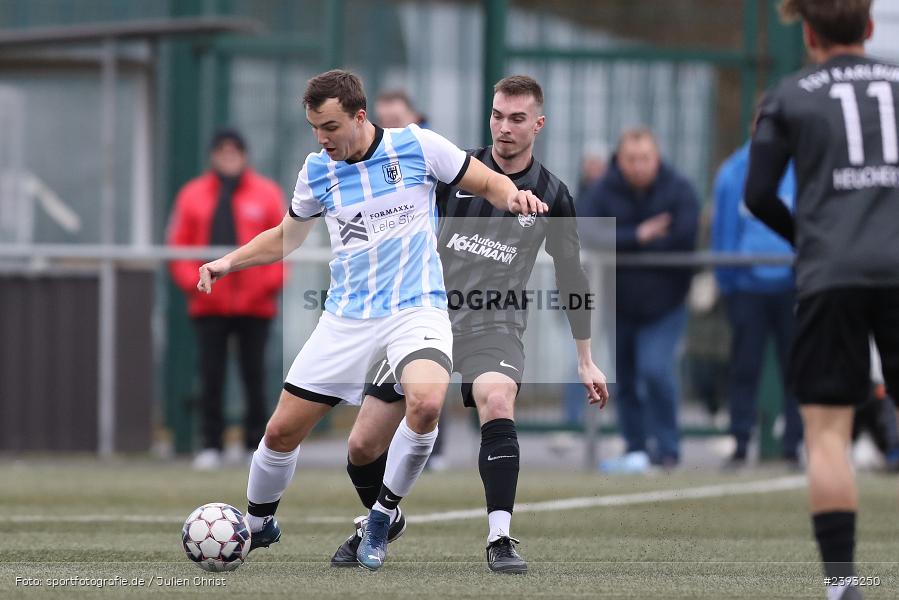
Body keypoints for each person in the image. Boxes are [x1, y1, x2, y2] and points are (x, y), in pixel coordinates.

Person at [196, 69, 548, 572]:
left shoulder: (419, 147)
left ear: (360, 117)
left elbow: (488, 180)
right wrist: (227, 262)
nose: (322, 138)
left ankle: (381, 517)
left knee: (426, 403)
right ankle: (257, 524)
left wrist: (513, 196)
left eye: (331, 127)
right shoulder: (317, 171)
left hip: (415, 310)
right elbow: (284, 238)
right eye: (315, 127)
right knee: (279, 433)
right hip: (347, 318)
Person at [327, 74, 609, 574]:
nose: (504, 127)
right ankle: (384, 515)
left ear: (538, 124)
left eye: (517, 118)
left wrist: (585, 359)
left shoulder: (554, 195)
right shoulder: (455, 170)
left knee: (496, 401)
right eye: (498, 115)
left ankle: (499, 539)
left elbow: (572, 276)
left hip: (493, 324)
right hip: (423, 316)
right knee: (362, 445)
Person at [744, 2, 899, 598]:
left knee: (828, 430)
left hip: (830, 274)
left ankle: (842, 584)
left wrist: (807, 239)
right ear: (869, 28)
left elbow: (758, 194)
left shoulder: (788, 96)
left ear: (807, 34)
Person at [578, 128, 699, 472]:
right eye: (631, 159)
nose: (638, 166)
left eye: (644, 158)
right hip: (620, 304)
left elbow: (683, 237)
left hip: (667, 304)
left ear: (656, 158)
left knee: (656, 370)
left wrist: (618, 241)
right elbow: (586, 230)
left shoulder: (679, 189)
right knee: (626, 381)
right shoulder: (605, 189)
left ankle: (668, 449)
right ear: (620, 159)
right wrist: (639, 235)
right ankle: (637, 450)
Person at [167, 129, 286, 470]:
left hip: (255, 306)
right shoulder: (192, 196)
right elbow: (179, 247)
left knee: (255, 375)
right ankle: (211, 444)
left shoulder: (265, 194)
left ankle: (254, 443)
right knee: (211, 375)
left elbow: (281, 244)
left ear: (245, 155)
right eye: (222, 151)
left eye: (235, 151)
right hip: (209, 305)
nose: (228, 157)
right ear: (213, 156)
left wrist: (263, 287)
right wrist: (196, 284)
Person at [711, 140, 803, 468]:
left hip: (792, 286)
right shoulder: (734, 171)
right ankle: (739, 442)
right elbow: (723, 229)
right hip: (747, 288)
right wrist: (729, 281)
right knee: (744, 368)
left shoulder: (801, 165)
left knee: (796, 370)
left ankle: (794, 446)